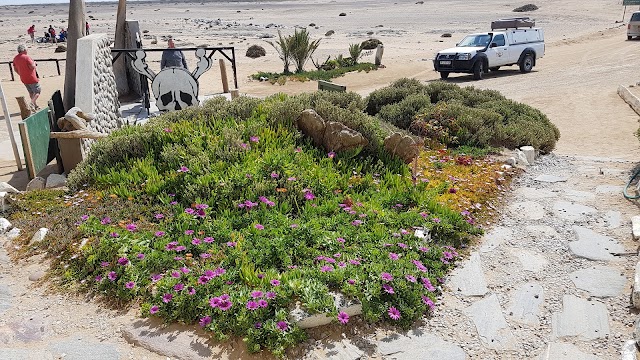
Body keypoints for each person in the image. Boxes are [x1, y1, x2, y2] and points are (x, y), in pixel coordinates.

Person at [13, 45, 40, 110]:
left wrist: (20, 74)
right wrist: (34, 63)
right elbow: (31, 67)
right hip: (31, 77)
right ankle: (32, 103)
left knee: (31, 92)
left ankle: (35, 105)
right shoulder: (26, 57)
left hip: (23, 78)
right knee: (37, 91)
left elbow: (15, 69)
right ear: (24, 50)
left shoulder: (15, 58)